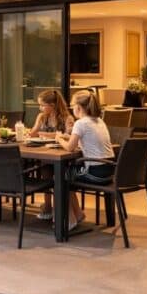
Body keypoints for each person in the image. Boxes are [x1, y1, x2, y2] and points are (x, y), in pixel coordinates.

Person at [56, 90, 115, 231]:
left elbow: (70, 148)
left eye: (72, 105)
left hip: (95, 173)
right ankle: (78, 214)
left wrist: (59, 139)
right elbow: (85, 141)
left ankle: (70, 219)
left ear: (78, 107)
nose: (71, 108)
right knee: (67, 174)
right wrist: (67, 136)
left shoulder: (81, 123)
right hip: (109, 172)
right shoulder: (99, 121)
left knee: (60, 177)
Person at [29, 89, 74, 221]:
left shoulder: (67, 118)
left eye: (42, 105)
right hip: (44, 154)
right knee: (45, 169)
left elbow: (68, 136)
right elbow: (33, 133)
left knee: (47, 170)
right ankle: (48, 206)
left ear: (52, 105)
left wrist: (44, 134)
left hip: (62, 156)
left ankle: (55, 208)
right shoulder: (42, 117)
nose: (40, 108)